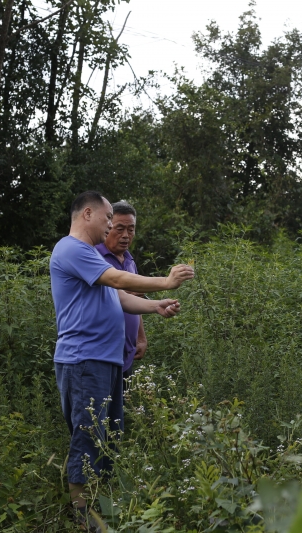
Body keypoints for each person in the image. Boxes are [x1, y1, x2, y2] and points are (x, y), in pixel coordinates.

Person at [50, 191, 194, 525]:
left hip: (106, 360)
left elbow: (120, 297)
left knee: (108, 439)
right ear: (88, 214)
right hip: (84, 360)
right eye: (107, 218)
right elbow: (117, 279)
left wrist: (155, 306)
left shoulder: (89, 256)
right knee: (88, 438)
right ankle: (86, 521)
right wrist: (166, 283)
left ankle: (105, 511)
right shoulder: (71, 248)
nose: (111, 224)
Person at [95, 200, 149, 384]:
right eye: (120, 228)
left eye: (131, 229)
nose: (126, 235)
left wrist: (140, 338)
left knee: (123, 410)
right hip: (102, 353)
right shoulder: (94, 257)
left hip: (126, 354)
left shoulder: (129, 260)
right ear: (108, 227)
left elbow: (136, 300)